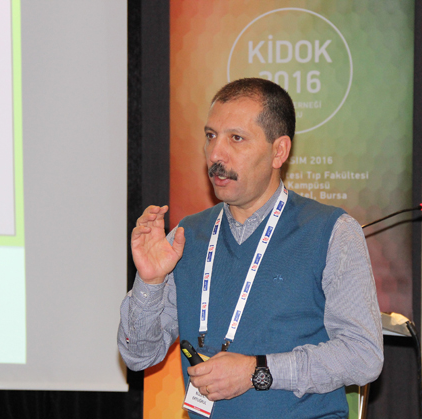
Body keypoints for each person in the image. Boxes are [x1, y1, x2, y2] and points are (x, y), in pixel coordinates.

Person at [118, 78, 383, 419]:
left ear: (279, 151)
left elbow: (363, 356)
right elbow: (138, 356)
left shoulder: (332, 232)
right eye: (210, 136)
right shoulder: (186, 236)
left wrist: (258, 371)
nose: (215, 154)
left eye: (236, 138)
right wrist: (150, 282)